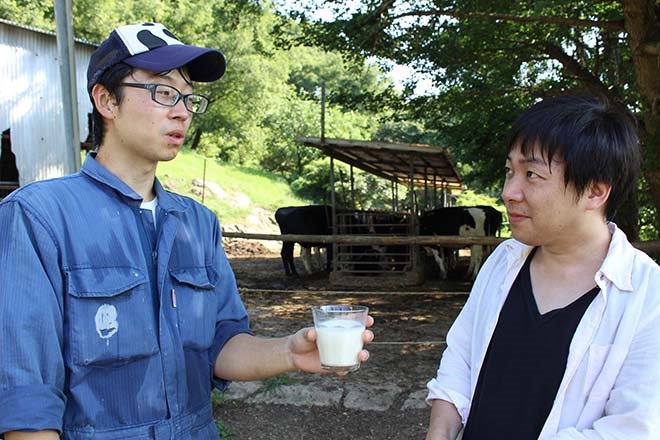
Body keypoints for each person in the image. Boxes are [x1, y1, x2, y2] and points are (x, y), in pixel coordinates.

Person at [0, 22, 374, 439]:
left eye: (188, 97)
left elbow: (222, 345)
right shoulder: (39, 217)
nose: (182, 111)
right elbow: (27, 398)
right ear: (106, 100)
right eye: (163, 92)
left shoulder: (198, 223)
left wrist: (290, 350)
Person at [425, 95, 660, 439]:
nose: (508, 192)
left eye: (532, 174)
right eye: (510, 171)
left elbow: (633, 429)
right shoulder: (503, 261)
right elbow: (460, 358)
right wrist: (440, 432)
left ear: (595, 191)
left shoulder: (647, 296)